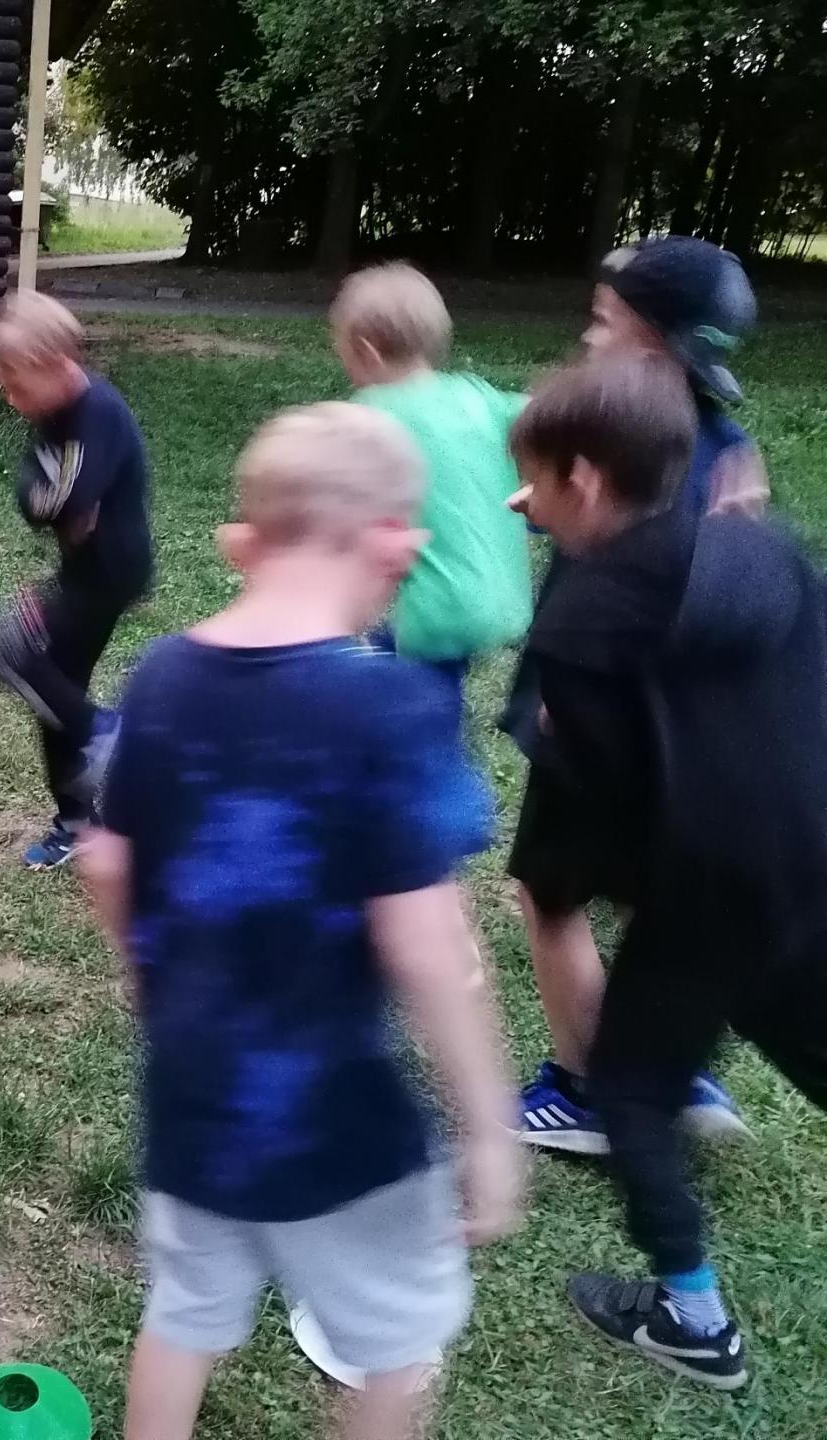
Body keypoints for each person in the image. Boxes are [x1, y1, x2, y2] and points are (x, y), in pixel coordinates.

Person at [81, 402, 522, 1440]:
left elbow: (105, 862)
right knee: (397, 1348)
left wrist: (155, 993)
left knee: (185, 1315)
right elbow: (428, 947)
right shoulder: (390, 709)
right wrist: (489, 1127)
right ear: (393, 544)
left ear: (248, 540)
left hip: (192, 1099)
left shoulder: (161, 675)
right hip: (344, 1131)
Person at [507, 355, 827, 1389]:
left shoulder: (580, 624)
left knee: (632, 1092)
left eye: (535, 480)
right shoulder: (761, 550)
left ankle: (693, 1321)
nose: (524, 501)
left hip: (706, 900)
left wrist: (559, 873)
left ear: (584, 479)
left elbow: (594, 819)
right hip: (811, 866)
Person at [509, 237, 763, 1154]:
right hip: (685, 736)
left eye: (603, 320)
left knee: (551, 897)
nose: (589, 335)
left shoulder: (620, 451)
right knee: (645, 891)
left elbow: (620, 579)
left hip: (591, 718)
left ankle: (588, 1091)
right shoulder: (723, 448)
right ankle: (668, 1064)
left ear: (650, 341)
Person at [0, 291, 151, 870]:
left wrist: (60, 503)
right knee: (53, 695)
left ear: (57, 365)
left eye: (17, 385)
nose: (11, 398)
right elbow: (34, 496)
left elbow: (71, 495)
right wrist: (55, 504)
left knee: (10, 647)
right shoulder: (53, 415)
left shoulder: (97, 412)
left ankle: (107, 733)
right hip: (80, 571)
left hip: (111, 573)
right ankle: (77, 820)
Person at [331, 263, 531, 696]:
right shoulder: (477, 396)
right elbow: (549, 417)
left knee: (396, 696)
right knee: (415, 679)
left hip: (433, 615)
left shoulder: (370, 415)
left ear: (365, 352)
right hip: (504, 600)